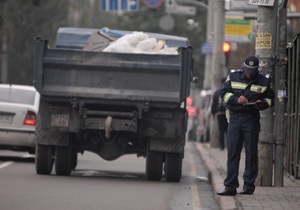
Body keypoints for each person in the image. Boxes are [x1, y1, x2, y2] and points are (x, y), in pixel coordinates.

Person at [217, 55, 275, 196]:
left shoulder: (264, 80)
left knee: (251, 153)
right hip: (235, 118)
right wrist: (236, 99)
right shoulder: (234, 76)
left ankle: (248, 186)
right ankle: (230, 186)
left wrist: (263, 104)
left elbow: (271, 99)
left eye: (252, 70)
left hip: (251, 119)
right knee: (233, 153)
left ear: (257, 69)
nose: (249, 73)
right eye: (247, 69)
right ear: (244, 67)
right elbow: (223, 93)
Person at [211, 78, 228, 150]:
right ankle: (228, 146)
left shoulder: (217, 92)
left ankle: (222, 146)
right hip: (227, 112)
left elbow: (214, 104)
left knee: (221, 130)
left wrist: (213, 114)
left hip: (219, 113)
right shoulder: (228, 91)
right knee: (228, 129)